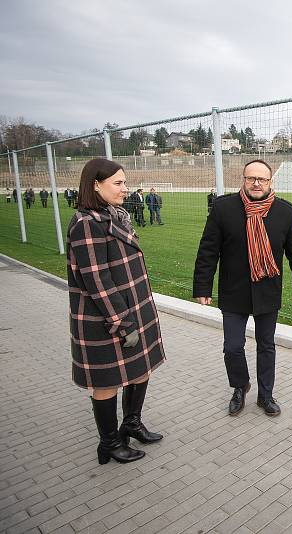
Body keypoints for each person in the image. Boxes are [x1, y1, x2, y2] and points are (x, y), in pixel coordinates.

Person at [67, 158, 165, 465]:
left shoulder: (116, 216)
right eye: (118, 183)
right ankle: (108, 443)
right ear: (96, 185)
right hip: (107, 319)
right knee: (107, 382)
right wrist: (123, 322)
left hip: (135, 311)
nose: (125, 189)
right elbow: (97, 280)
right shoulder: (86, 224)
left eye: (125, 182)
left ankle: (131, 423)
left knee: (141, 370)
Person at [194, 160, 292, 417]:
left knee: (266, 346)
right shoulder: (223, 208)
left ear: (271, 182)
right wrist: (203, 286)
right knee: (232, 347)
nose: (256, 183)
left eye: (262, 179)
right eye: (251, 179)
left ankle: (265, 396)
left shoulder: (285, 211)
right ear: (244, 180)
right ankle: (240, 386)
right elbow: (208, 251)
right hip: (233, 291)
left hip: (268, 290)